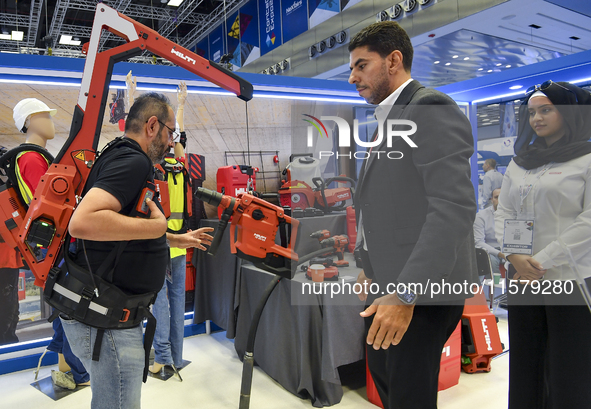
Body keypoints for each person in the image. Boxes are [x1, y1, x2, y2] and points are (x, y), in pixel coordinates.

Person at [348, 21, 477, 409]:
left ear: (394, 60)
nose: (353, 78)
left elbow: (453, 208)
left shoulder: (429, 107)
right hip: (389, 281)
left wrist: (406, 292)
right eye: (351, 69)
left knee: (408, 395)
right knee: (386, 379)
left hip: (424, 289)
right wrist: (366, 262)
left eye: (361, 65)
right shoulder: (389, 118)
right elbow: (386, 202)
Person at [60, 92, 210, 409]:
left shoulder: (118, 155)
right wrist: (158, 228)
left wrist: (170, 239)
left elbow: (118, 226)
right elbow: (82, 222)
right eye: (171, 133)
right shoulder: (134, 161)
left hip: (105, 312)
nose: (172, 142)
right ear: (152, 125)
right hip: (106, 318)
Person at [494, 81, 591, 408]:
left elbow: (589, 221)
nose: (536, 118)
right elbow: (504, 210)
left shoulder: (587, 159)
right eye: (532, 112)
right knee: (526, 359)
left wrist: (541, 260)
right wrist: (514, 256)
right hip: (522, 277)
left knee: (570, 365)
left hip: (570, 277)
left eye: (546, 109)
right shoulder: (521, 162)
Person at [11, 98, 90, 388]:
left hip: (51, 245)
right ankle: (79, 373)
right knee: (69, 308)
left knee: (62, 307)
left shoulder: (35, 156)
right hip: (53, 245)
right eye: (45, 116)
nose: (52, 121)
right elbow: (49, 206)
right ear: (29, 121)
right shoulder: (31, 158)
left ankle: (66, 368)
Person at [149, 82, 212, 377]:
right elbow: (180, 136)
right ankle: (176, 355)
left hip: (161, 244)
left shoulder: (155, 169)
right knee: (175, 302)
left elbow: (172, 136)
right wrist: (182, 104)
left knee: (160, 302)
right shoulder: (182, 167)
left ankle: (162, 357)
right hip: (180, 242)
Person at [474, 188, 506, 275]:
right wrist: (499, 253)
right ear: (492, 200)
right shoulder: (481, 216)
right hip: (490, 251)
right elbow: (478, 242)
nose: (499, 200)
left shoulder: (514, 215)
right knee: (490, 261)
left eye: (502, 197)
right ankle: (493, 287)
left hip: (508, 250)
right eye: (496, 197)